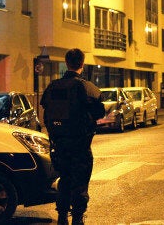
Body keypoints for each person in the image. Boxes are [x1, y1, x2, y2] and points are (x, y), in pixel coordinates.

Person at [41, 48, 105, 225]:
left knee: (64, 180)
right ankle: (77, 218)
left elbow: (46, 113)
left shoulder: (53, 87)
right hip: (80, 144)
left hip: (59, 145)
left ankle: (62, 216)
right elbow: (99, 112)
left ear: (67, 63)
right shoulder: (86, 87)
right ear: (82, 64)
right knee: (80, 183)